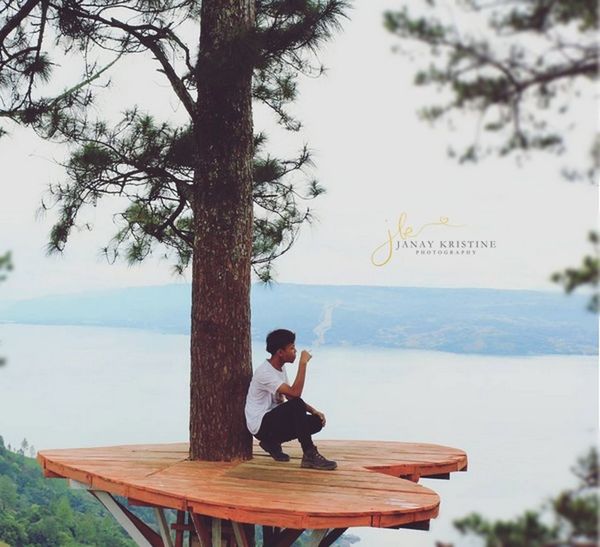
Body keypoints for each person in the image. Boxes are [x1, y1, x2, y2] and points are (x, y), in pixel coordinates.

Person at [244, 329, 337, 471]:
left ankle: (271, 443)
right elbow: (296, 394)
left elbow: (291, 396)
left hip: (272, 421)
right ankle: (309, 453)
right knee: (297, 404)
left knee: (316, 422)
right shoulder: (265, 372)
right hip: (260, 425)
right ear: (280, 352)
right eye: (292, 348)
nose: (295, 351)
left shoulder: (280, 369)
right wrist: (303, 363)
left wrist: (314, 411)